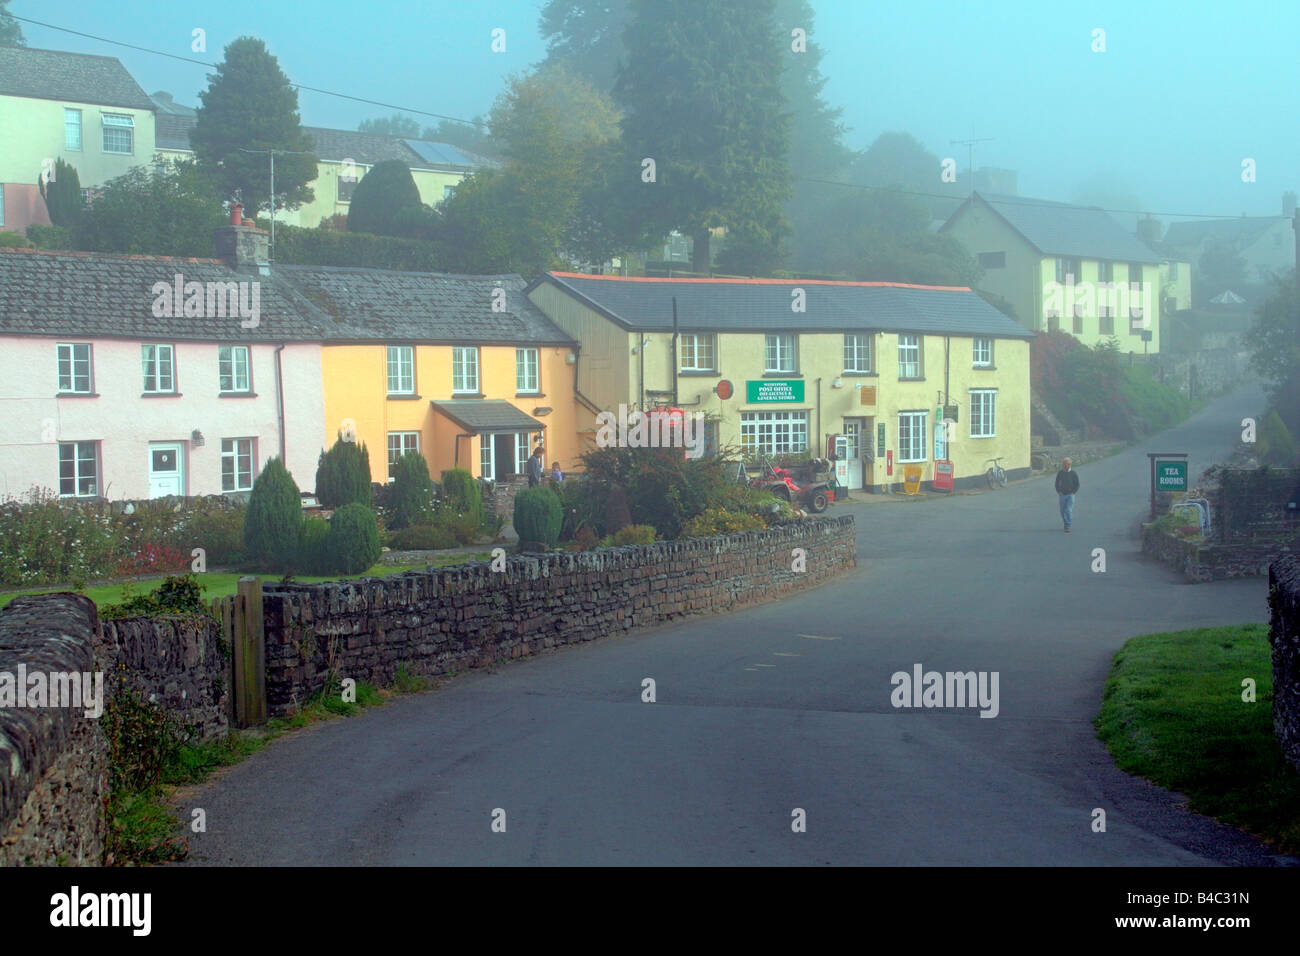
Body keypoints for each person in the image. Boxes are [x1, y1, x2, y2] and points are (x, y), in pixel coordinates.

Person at [1055, 457, 1079, 532]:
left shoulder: (1073, 473)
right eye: (1063, 464)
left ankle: (1068, 526)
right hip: (1062, 495)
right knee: (1062, 511)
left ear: (1069, 464)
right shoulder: (1060, 473)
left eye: (1066, 464)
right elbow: (1056, 483)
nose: (1064, 466)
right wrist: (1058, 491)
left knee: (1068, 510)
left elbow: (1077, 484)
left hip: (1070, 495)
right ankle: (1065, 523)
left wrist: (1073, 492)